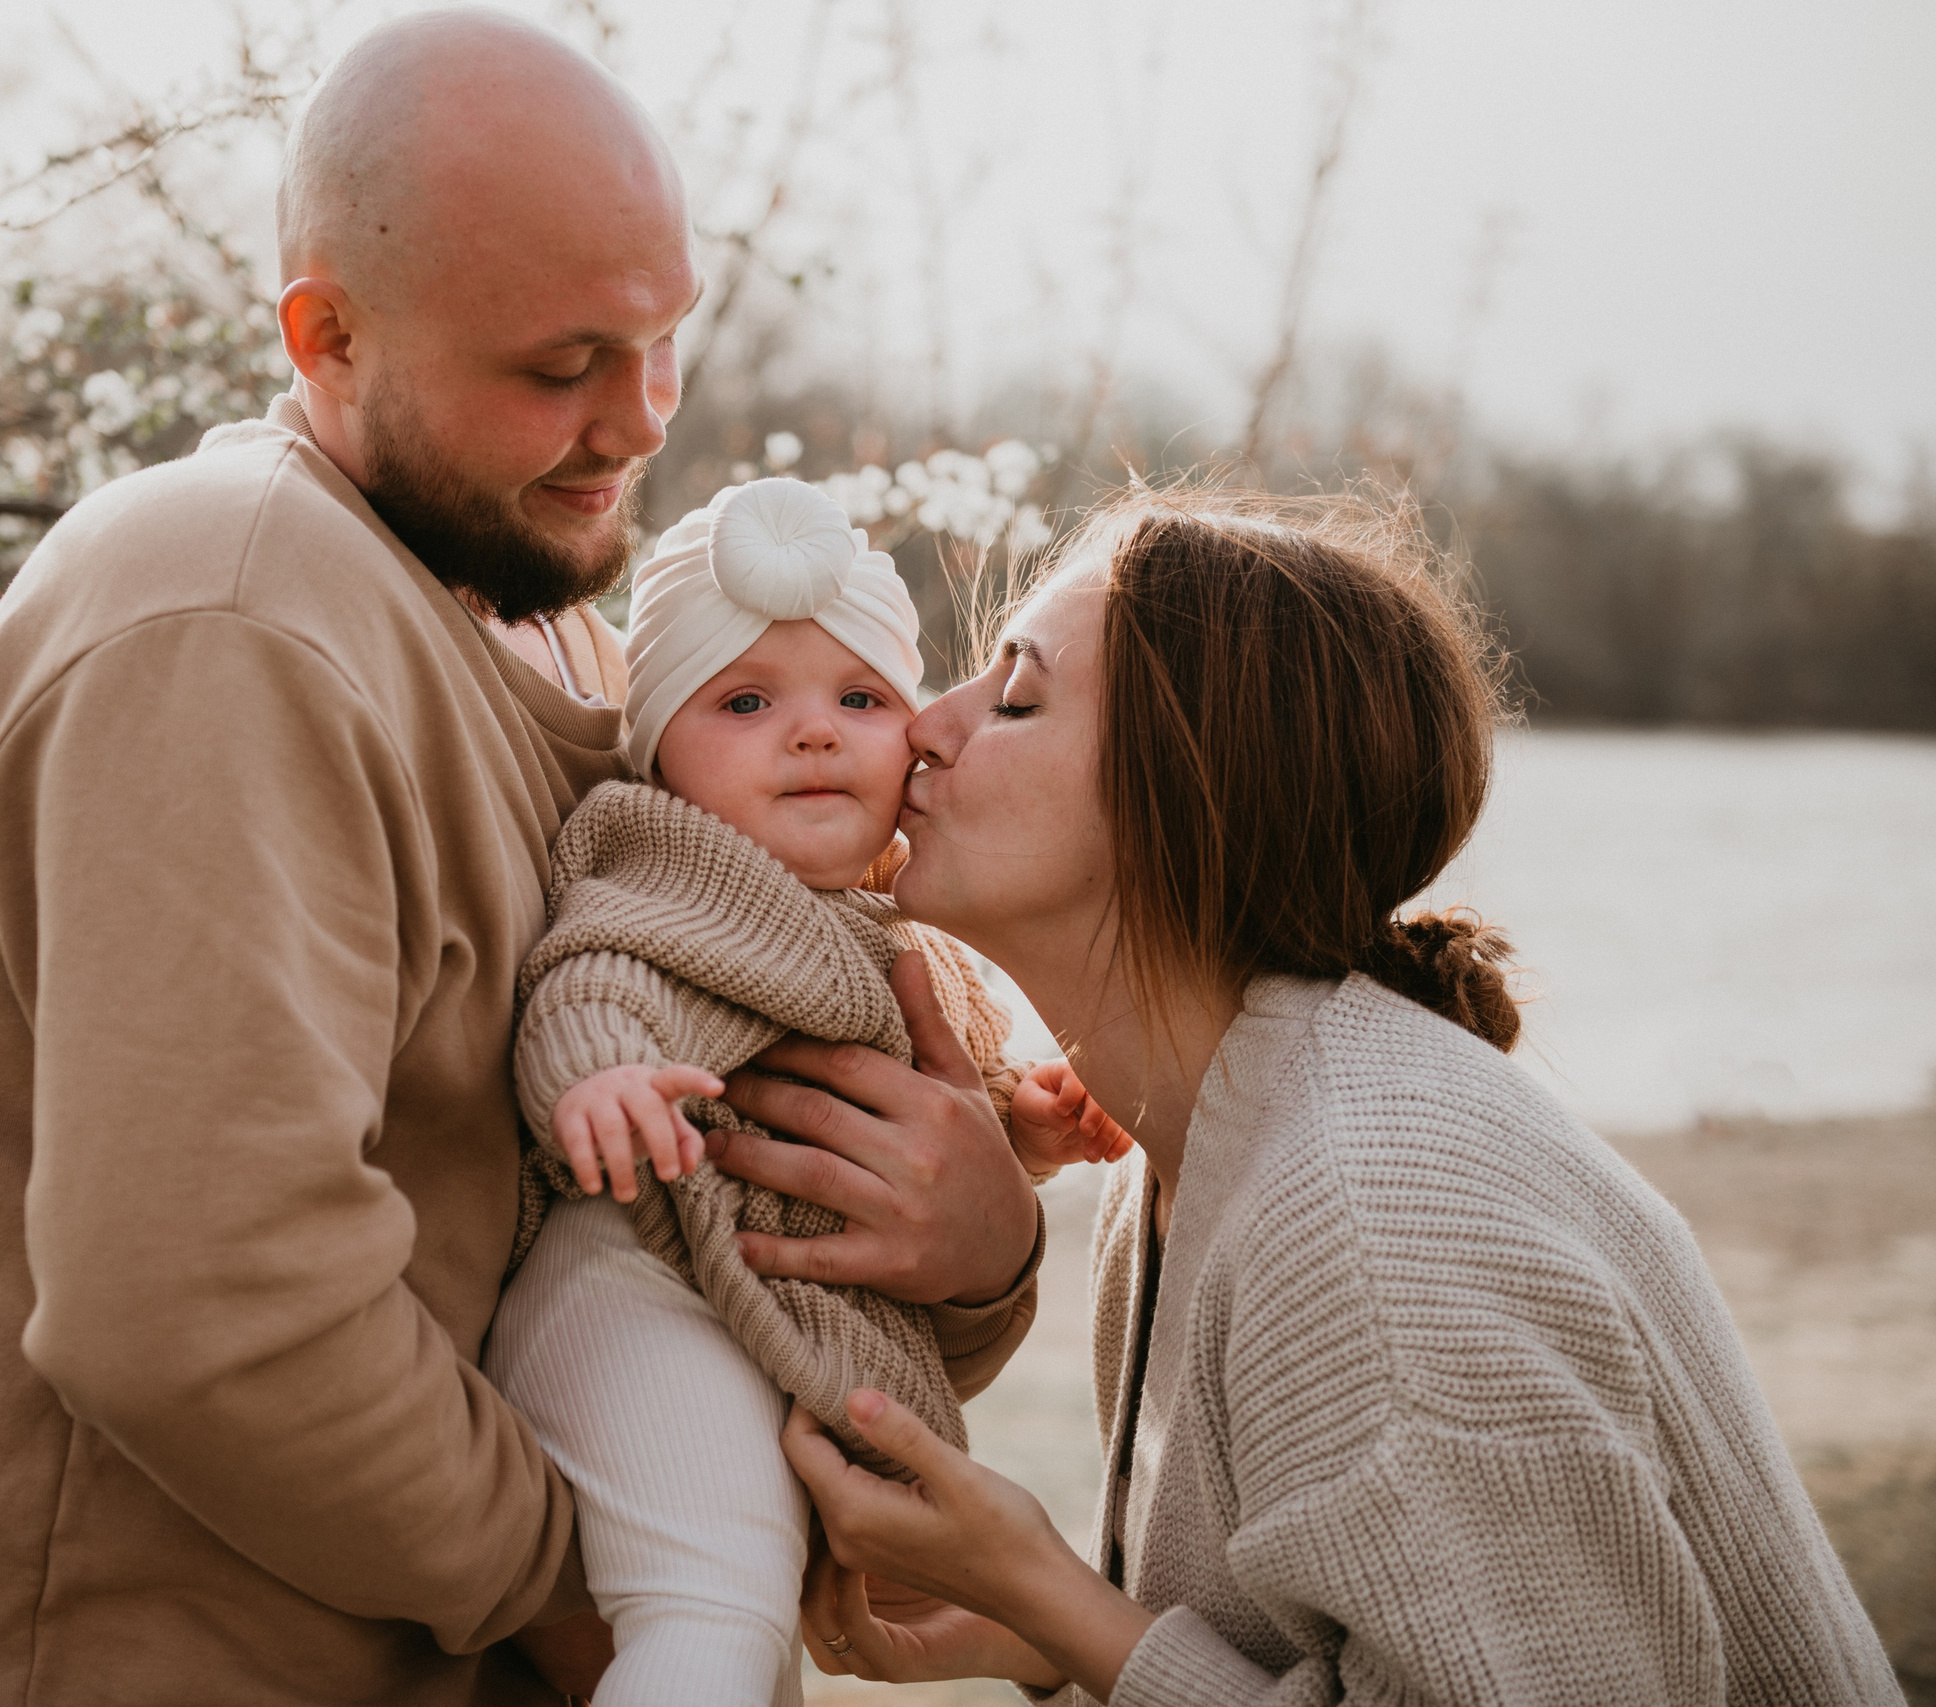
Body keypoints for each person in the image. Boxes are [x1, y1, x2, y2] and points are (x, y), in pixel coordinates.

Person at [0, 11, 1042, 1704]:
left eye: (664, 339)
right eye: (559, 365)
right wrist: (614, 1574)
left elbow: (692, 1210)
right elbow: (203, 1309)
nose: (638, 422)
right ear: (327, 335)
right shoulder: (227, 620)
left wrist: (972, 1259)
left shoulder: (588, 659)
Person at [780, 488, 1907, 1706]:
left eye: (1013, 699)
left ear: (1189, 796)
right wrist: (1048, 1636)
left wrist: (1042, 1583)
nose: (921, 728)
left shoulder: (1366, 1230)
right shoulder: (1185, 1152)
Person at [482, 477, 1131, 1707]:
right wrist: (604, 1082)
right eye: (743, 702)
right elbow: (590, 979)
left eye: (859, 698)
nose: (815, 731)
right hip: (626, 1276)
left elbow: (930, 1099)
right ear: (657, 749)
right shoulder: (667, 861)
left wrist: (1022, 1124)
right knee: (711, 1609)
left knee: (753, 1618)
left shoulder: (890, 918)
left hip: (730, 1299)